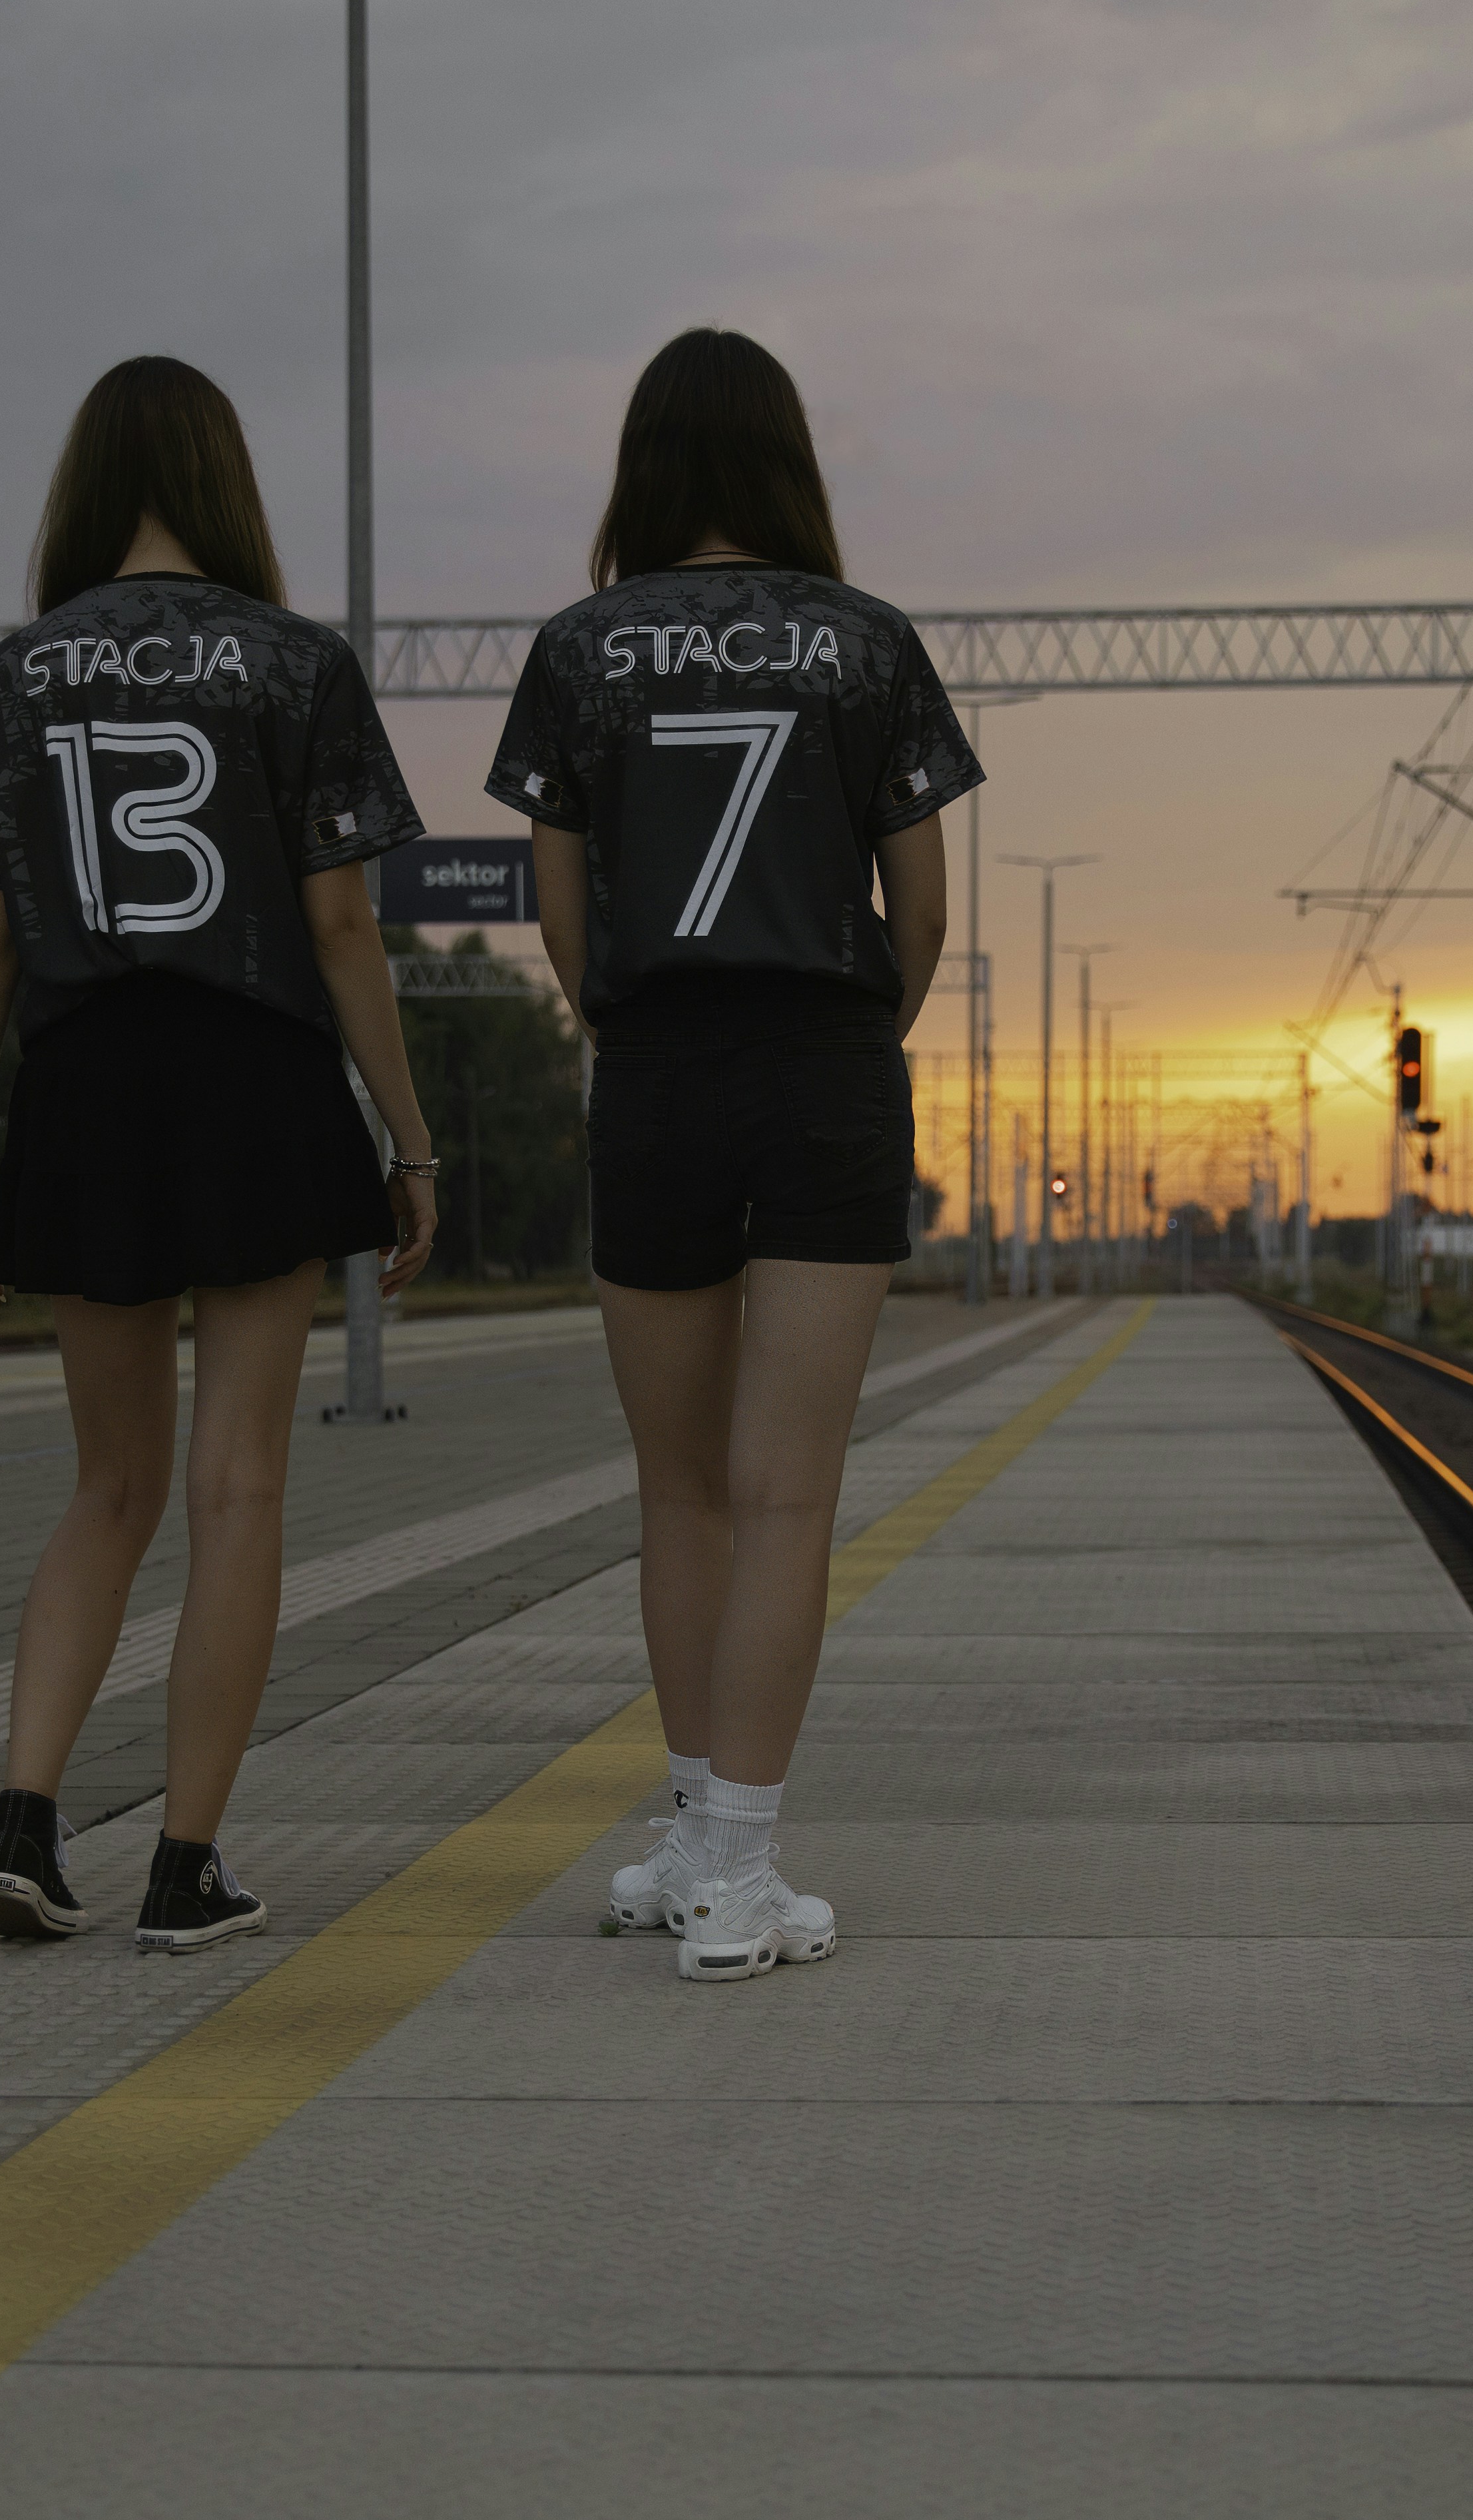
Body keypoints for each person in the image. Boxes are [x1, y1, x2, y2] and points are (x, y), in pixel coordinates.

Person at [486, 328, 974, 1982]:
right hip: (826, 1064)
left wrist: (623, 1029)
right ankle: (737, 1872)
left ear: (644, 464)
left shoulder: (578, 649)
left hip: (655, 1066)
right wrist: (858, 1042)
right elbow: (924, 906)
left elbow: (556, 900)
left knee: (680, 1487)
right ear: (788, 462)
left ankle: (691, 1829)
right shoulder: (866, 645)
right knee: (789, 1495)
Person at [0, 355, 436, 1952]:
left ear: (85, 483)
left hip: (85, 1083)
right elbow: (343, 919)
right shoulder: (296, 664)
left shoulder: (20, 674)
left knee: (108, 1484)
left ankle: (23, 1816)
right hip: (256, 1073)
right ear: (225, 482)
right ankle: (183, 1862)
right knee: (237, 1487)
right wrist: (408, 1137)